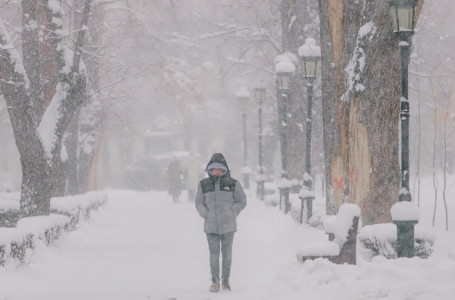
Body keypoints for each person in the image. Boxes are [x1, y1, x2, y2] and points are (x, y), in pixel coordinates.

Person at [195, 153, 247, 293]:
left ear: (224, 169)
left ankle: (226, 281)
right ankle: (215, 282)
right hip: (211, 226)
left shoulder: (233, 183)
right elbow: (198, 202)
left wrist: (233, 211)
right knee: (213, 254)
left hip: (228, 226)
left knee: (227, 254)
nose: (216, 171)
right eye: (214, 169)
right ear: (210, 169)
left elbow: (242, 200)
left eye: (219, 169)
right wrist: (204, 213)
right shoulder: (203, 185)